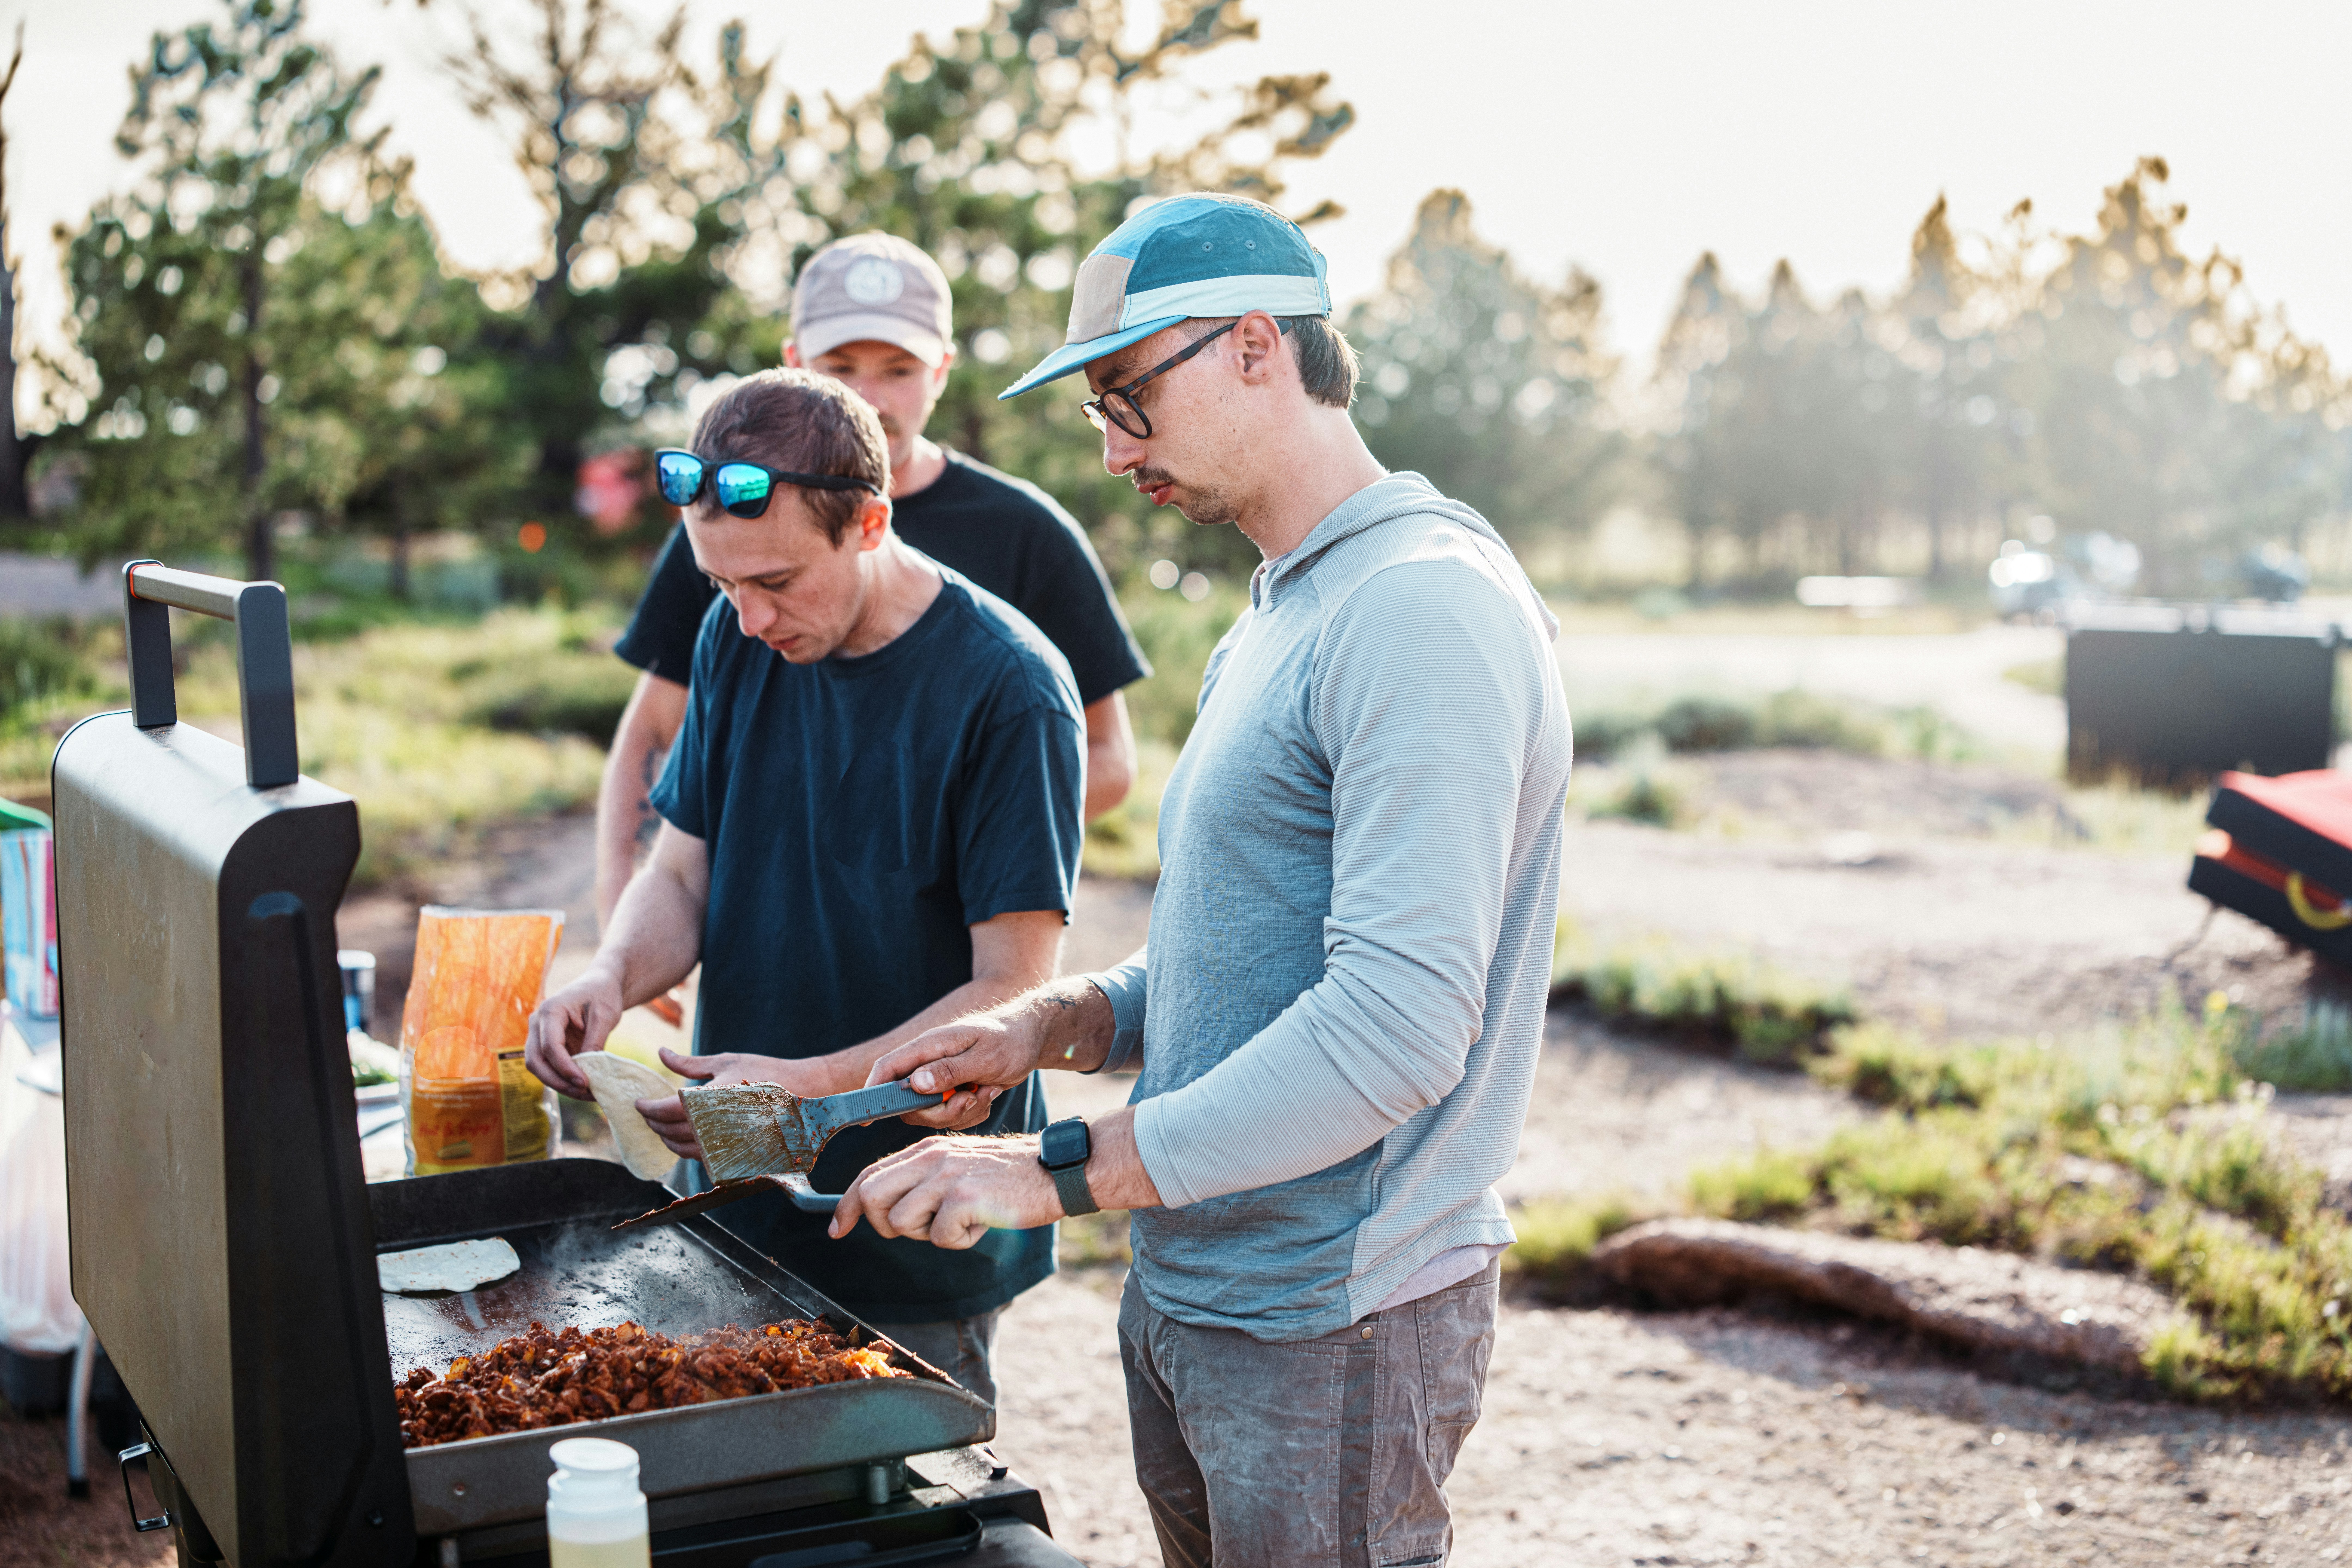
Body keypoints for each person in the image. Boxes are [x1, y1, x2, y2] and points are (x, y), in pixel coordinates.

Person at [822, 194, 1573, 1567]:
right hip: (1205, 1282)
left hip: (1329, 1317)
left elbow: (1399, 1024)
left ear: (1251, 347)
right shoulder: (1290, 601)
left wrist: (1058, 1169)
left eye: (1127, 400)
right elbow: (1247, 952)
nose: (1112, 454)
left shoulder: (1419, 603)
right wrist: (1058, 1024)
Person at [527, 369, 1086, 1405]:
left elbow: (1012, 989)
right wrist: (609, 976)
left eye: (776, 582)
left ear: (869, 522)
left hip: (910, 1222)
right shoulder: (733, 639)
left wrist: (814, 1084)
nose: (747, 619)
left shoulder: (1012, 690)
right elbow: (683, 867)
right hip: (729, 1201)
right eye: (722, 585)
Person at [595, 232, 1149, 930]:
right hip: (763, 944)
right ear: (794, 365)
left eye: (899, 369)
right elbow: (653, 730)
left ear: (942, 371)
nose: (868, 396)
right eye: (839, 366)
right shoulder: (729, 518)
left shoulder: (1027, 532)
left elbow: (1109, 758)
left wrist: (941, 838)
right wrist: (622, 910)